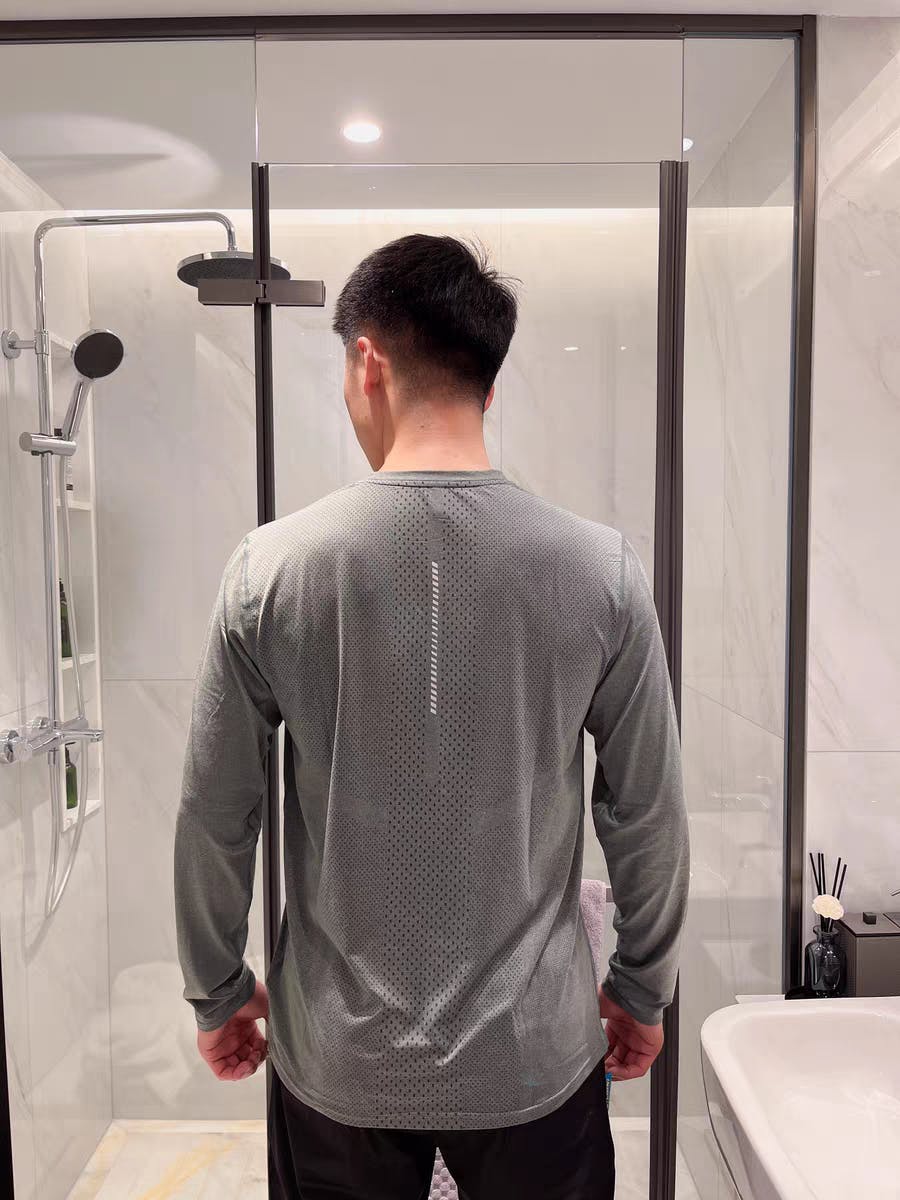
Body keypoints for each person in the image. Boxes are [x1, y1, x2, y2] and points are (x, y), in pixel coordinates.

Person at [174, 234, 689, 1199]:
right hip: (535, 1054)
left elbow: (217, 814)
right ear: (487, 386)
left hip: (340, 1060)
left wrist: (217, 989)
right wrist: (641, 988)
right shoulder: (601, 573)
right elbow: (647, 813)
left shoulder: (271, 572)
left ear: (367, 361)